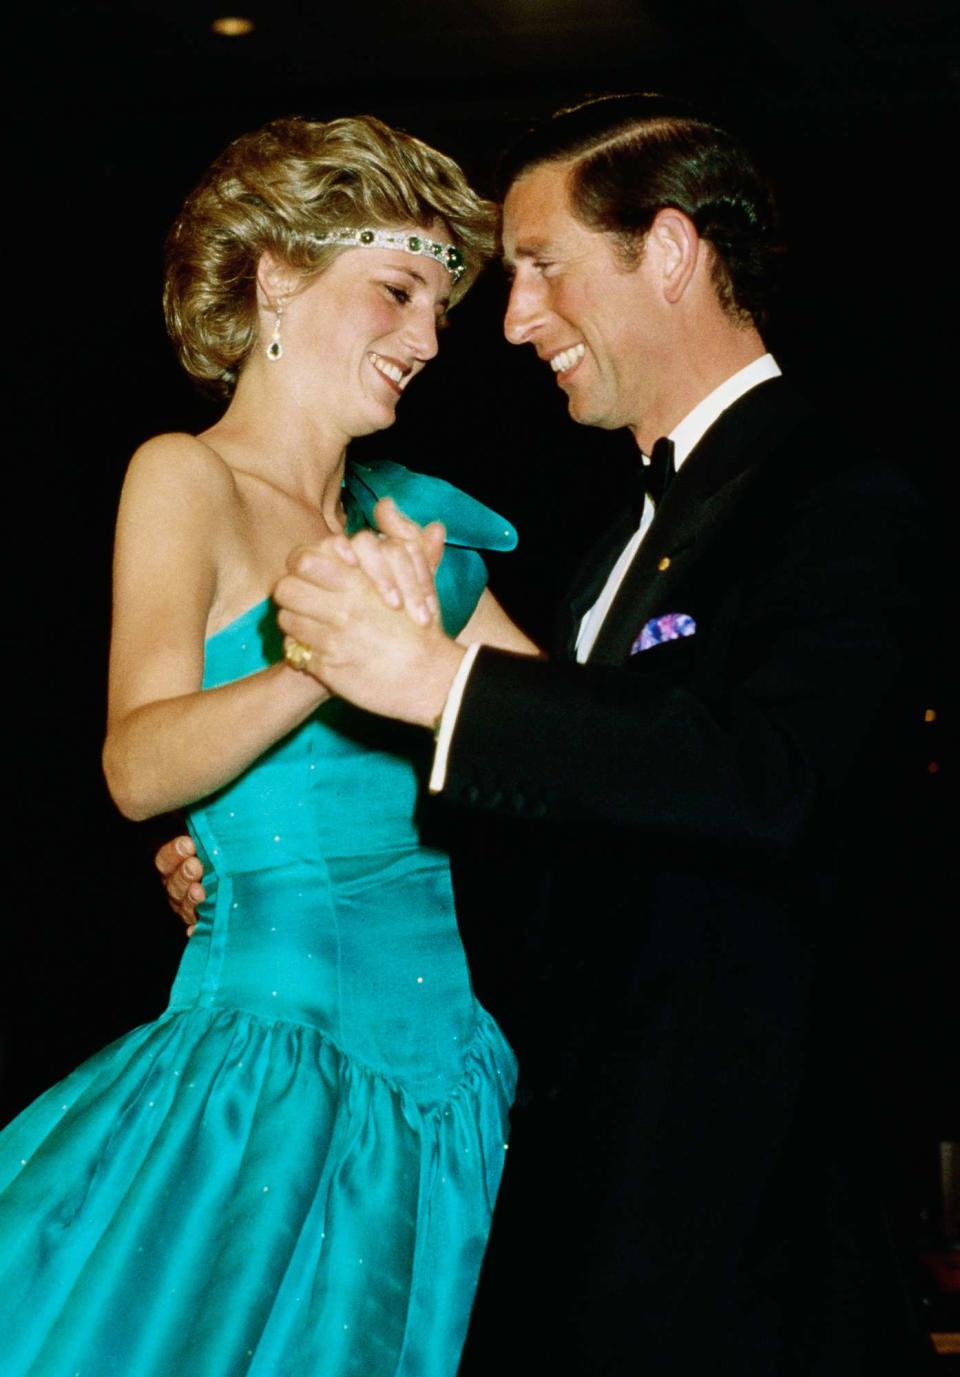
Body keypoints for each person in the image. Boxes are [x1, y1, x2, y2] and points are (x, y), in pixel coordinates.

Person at [244, 95, 932, 1373]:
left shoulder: (840, 495)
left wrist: (448, 687)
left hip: (751, 1235)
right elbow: (574, 817)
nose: (511, 322)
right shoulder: (615, 539)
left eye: (539, 266)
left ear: (668, 252)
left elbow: (769, 779)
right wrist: (274, 859)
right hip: (591, 1198)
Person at [0, 113, 538, 1377]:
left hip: (455, 1089)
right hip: (270, 1084)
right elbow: (137, 768)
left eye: (441, 313)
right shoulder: (187, 477)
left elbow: (589, 749)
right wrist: (329, 659)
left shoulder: (411, 527)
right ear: (279, 276)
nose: (424, 341)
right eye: (398, 292)